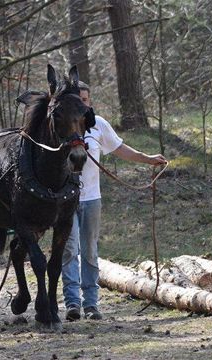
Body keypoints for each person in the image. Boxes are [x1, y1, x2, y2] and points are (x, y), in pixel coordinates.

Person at [62, 81, 167, 321]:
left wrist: (147, 159)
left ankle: (91, 303)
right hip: (65, 200)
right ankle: (72, 303)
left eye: (86, 99)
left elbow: (121, 149)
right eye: (78, 99)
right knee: (69, 250)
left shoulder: (99, 125)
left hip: (91, 199)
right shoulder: (62, 126)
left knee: (89, 250)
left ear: (89, 102)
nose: (83, 103)